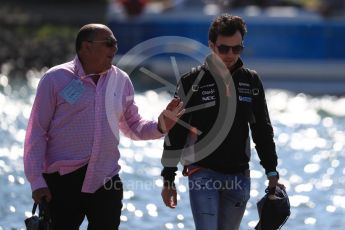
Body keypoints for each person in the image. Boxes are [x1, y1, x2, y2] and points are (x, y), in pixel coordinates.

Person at [23, 23, 184, 230]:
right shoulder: (54, 79)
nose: (114, 49)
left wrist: (161, 125)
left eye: (115, 44)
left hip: (106, 179)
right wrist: (36, 181)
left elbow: (132, 126)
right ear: (86, 47)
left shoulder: (121, 80)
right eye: (108, 43)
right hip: (62, 182)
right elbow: (36, 132)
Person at [160, 14, 285, 230]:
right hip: (202, 172)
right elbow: (176, 132)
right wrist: (168, 178)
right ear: (211, 45)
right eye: (224, 48)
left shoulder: (251, 81)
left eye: (236, 49)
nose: (230, 55)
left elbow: (262, 129)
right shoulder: (191, 81)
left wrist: (271, 171)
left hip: (239, 175)